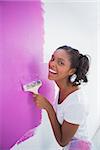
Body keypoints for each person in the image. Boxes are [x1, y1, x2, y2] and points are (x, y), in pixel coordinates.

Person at [33, 45, 93, 150]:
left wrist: (48, 107)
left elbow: (62, 141)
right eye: (52, 58)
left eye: (60, 63)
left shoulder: (76, 103)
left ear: (71, 71)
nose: (52, 64)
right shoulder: (63, 88)